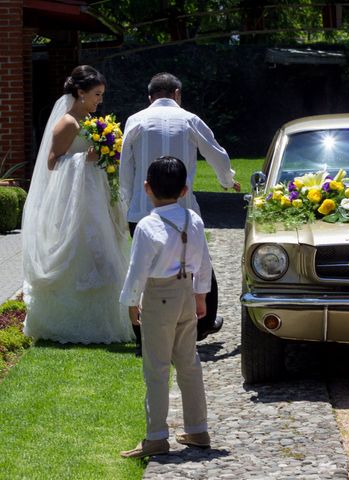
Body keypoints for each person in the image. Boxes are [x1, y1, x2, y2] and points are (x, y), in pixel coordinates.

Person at [119, 72, 240, 352]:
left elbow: (126, 166)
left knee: (144, 269)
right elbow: (217, 154)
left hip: (143, 209)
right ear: (177, 94)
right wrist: (226, 180)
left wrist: (129, 200)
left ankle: (144, 333)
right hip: (182, 209)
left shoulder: (136, 120)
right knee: (197, 264)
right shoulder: (189, 119)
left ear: (150, 97)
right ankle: (204, 321)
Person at [22, 65, 133, 344]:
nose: (100, 100)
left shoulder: (92, 123)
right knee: (84, 253)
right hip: (76, 202)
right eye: (96, 94)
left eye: (102, 94)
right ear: (80, 93)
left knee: (105, 252)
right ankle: (72, 321)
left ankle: (109, 317)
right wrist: (87, 159)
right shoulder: (68, 123)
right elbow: (51, 162)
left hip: (96, 196)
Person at [120, 156, 211, 458]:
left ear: (147, 188)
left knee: (157, 367)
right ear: (185, 190)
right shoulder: (193, 219)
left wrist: (132, 301)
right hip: (186, 292)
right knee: (189, 362)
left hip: (159, 296)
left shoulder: (148, 226)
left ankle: (156, 436)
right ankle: (198, 429)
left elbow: (138, 269)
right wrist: (200, 295)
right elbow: (203, 263)